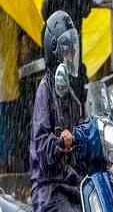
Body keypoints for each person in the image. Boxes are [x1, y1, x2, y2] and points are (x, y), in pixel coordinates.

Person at [30, 11, 84, 212]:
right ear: (55, 52)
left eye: (72, 49)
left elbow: (81, 132)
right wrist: (59, 142)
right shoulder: (45, 90)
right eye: (66, 50)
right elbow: (42, 145)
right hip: (48, 188)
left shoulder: (71, 93)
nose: (71, 55)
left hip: (70, 182)